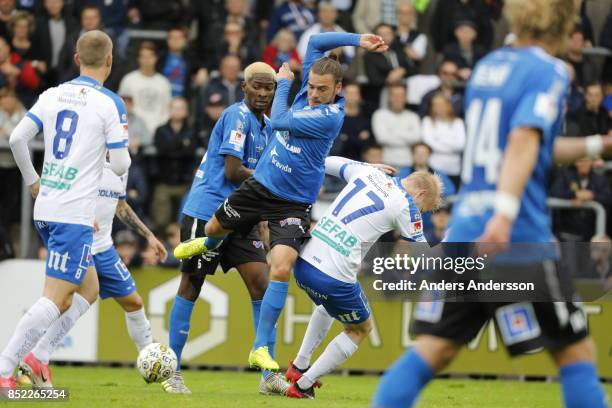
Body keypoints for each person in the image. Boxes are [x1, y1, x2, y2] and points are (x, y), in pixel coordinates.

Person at [372, 1, 609, 406]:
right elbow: (523, 141)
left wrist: (597, 145)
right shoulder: (549, 70)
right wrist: (504, 214)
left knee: (435, 350)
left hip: (466, 233)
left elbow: (529, 146)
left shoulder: (488, 66)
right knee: (576, 353)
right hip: (517, 235)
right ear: (564, 20)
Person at [174, 32, 388, 372]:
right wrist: (357, 40)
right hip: (261, 186)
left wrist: (285, 82)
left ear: (338, 89)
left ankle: (260, 348)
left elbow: (284, 118)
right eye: (312, 86)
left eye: (321, 89)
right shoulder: (310, 92)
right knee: (215, 226)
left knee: (281, 267)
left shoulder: (329, 114)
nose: (314, 94)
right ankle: (206, 240)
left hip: (291, 203)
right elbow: (317, 41)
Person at [1, 30, 130, 392]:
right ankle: (5, 368)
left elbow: (16, 138)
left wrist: (32, 180)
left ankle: (39, 357)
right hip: (72, 214)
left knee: (89, 287)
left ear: (76, 58)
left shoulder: (53, 94)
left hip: (46, 206)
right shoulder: (109, 104)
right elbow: (119, 165)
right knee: (56, 296)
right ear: (109, 61)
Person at [163, 62, 289, 395]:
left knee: (262, 283)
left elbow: (253, 184)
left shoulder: (266, 126)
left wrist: (262, 217)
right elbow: (233, 171)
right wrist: (275, 182)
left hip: (241, 216)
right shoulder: (237, 116)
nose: (263, 93)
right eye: (257, 87)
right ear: (244, 87)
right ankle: (172, 371)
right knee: (192, 283)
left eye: (269, 88)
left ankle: (267, 373)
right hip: (207, 213)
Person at [285, 156, 442, 399]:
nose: (420, 213)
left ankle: (299, 366)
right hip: (333, 276)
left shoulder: (367, 172)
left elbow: (324, 161)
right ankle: (304, 385)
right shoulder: (407, 205)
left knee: (328, 307)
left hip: (304, 263)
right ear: (420, 193)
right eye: (424, 209)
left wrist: (369, 166)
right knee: (360, 329)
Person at [19, 162, 167, 388]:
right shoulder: (86, 153)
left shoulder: (122, 163)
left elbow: (121, 206)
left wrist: (149, 236)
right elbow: (55, 195)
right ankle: (29, 360)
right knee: (61, 302)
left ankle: (150, 362)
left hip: (105, 248)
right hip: (78, 241)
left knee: (134, 302)